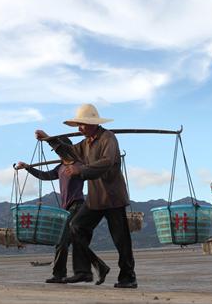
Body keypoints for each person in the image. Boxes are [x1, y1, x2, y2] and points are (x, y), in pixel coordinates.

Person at [35, 103, 137, 289]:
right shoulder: (85, 144)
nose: (80, 129)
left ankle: (128, 277)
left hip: (113, 197)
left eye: (82, 125)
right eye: (78, 126)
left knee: (121, 239)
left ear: (92, 123)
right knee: (76, 226)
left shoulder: (108, 138)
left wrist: (81, 170)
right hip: (96, 198)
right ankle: (84, 270)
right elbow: (69, 153)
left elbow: (107, 162)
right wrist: (49, 139)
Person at [15, 142, 110, 285]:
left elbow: (90, 172)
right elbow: (45, 175)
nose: (57, 154)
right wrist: (28, 168)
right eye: (56, 152)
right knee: (73, 241)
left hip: (77, 205)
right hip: (67, 209)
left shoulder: (78, 166)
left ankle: (59, 275)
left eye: (59, 151)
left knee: (62, 241)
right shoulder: (60, 167)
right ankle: (99, 267)